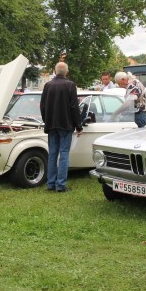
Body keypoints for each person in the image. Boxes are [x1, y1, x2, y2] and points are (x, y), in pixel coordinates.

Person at [40, 62, 83, 193]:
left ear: (54, 71)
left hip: (51, 124)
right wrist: (78, 126)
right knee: (64, 154)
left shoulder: (48, 85)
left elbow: (42, 106)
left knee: (52, 154)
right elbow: (74, 107)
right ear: (67, 72)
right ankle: (60, 185)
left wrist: (46, 120)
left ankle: (50, 183)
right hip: (66, 124)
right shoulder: (70, 85)